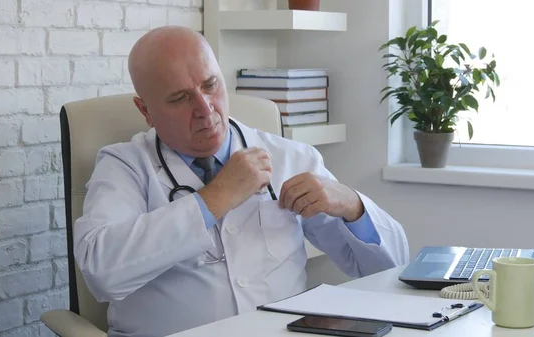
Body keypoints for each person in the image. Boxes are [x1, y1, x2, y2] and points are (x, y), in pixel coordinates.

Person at [73, 26, 410, 337]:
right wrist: (216, 197)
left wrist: (351, 204)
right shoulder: (124, 165)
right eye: (180, 98)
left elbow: (388, 268)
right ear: (145, 110)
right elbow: (102, 272)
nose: (205, 109)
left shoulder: (290, 157)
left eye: (210, 85)